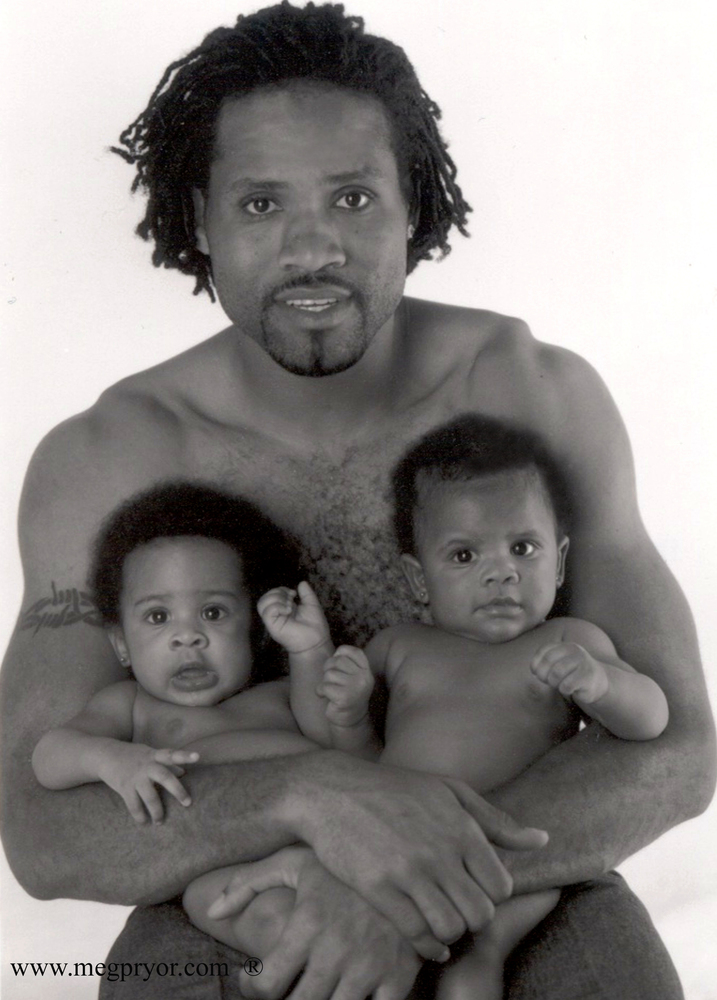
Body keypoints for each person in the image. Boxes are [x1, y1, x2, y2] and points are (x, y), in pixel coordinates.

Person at [0, 3, 713, 999]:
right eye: (261, 204)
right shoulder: (108, 459)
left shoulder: (533, 394)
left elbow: (680, 749)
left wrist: (403, 888)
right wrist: (311, 796)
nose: (313, 248)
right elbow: (39, 830)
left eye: (352, 197)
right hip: (234, 881)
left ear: (412, 205)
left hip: (531, 866)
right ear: (198, 219)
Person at [183, 414, 669, 999]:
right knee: (205, 895)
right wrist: (332, 685)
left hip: (502, 860)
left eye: (523, 548)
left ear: (559, 562)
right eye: (464, 556)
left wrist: (600, 684)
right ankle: (308, 948)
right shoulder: (400, 648)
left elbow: (653, 719)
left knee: (475, 955)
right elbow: (352, 753)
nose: (501, 573)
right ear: (418, 580)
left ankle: (470, 962)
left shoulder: (568, 640)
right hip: (387, 846)